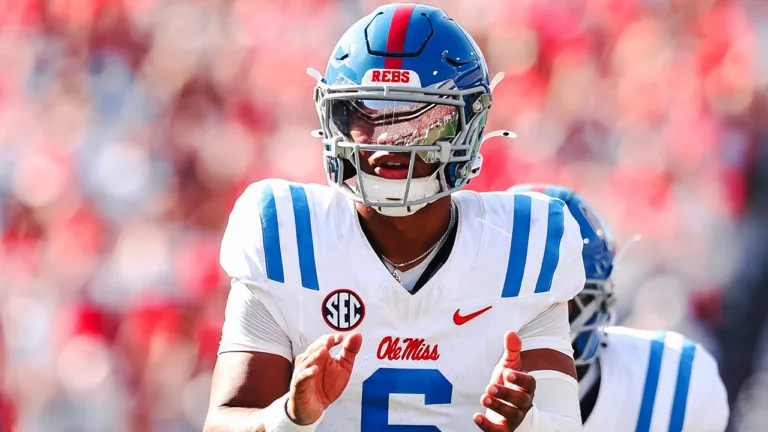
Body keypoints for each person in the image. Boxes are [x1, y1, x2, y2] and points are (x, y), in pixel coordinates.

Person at [204, 4, 586, 432]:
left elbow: (563, 423)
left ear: (468, 123)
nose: (388, 141)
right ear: (334, 118)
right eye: (366, 114)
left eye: (419, 119)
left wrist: (526, 423)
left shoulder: (524, 248)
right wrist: (290, 417)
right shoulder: (286, 235)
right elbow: (225, 421)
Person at [510, 184, 729, 432]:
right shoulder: (459, 387)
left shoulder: (667, 384)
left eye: (555, 303)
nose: (528, 321)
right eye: (511, 301)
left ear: (594, 301)